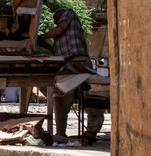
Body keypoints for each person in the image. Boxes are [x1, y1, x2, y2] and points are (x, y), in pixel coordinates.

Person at [38, 8, 104, 141]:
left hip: (79, 62)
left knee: (90, 96)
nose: (54, 21)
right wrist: (43, 43)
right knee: (60, 97)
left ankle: (92, 131)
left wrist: (41, 37)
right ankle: (61, 134)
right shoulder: (61, 38)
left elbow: (60, 28)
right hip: (67, 65)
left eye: (55, 19)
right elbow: (55, 50)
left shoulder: (68, 13)